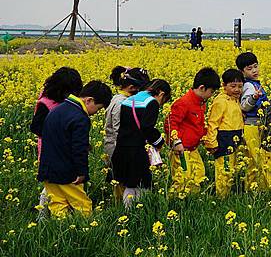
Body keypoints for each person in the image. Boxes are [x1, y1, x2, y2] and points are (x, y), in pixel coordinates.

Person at [37, 81, 112, 218]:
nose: (96, 113)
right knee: (82, 205)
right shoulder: (80, 117)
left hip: (47, 168)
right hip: (67, 171)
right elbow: (79, 148)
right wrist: (81, 172)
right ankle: (86, 232)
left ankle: (61, 231)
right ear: (89, 100)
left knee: (58, 203)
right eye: (98, 108)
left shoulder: (57, 110)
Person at [30, 67, 83, 218]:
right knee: (52, 183)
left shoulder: (67, 103)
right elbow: (36, 127)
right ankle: (43, 215)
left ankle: (64, 214)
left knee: (63, 182)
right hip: (50, 150)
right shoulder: (45, 103)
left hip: (66, 149)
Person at [111, 79, 171, 207]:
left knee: (127, 182)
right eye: (164, 100)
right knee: (141, 183)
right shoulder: (151, 103)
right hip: (136, 150)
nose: (161, 104)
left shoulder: (128, 100)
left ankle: (125, 210)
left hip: (121, 148)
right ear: (161, 93)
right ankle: (136, 213)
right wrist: (159, 141)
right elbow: (147, 127)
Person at [165, 68, 220, 198]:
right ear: (202, 88)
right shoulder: (183, 103)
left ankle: (191, 202)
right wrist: (176, 141)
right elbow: (171, 124)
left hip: (193, 149)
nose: (211, 95)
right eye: (211, 92)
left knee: (198, 176)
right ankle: (174, 203)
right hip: (181, 150)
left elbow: (197, 125)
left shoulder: (201, 103)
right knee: (182, 178)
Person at [104, 66, 150, 202]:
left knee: (120, 180)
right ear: (131, 87)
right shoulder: (122, 103)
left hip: (114, 145)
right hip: (118, 147)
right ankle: (122, 209)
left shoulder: (117, 98)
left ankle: (120, 206)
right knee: (123, 181)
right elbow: (121, 129)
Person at [205, 69, 245, 198]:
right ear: (224, 85)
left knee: (231, 169)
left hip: (235, 137)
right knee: (225, 169)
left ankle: (226, 194)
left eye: (240, 86)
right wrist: (211, 143)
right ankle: (221, 197)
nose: (237, 89)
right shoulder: (220, 101)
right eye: (233, 86)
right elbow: (213, 122)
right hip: (224, 139)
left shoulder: (235, 100)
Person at [237, 52, 268, 191]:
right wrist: (254, 98)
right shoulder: (249, 86)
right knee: (255, 159)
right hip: (252, 125)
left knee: (253, 159)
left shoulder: (253, 84)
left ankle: (252, 187)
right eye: (249, 68)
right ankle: (256, 188)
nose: (254, 70)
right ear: (242, 71)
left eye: (256, 66)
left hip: (257, 125)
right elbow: (244, 106)